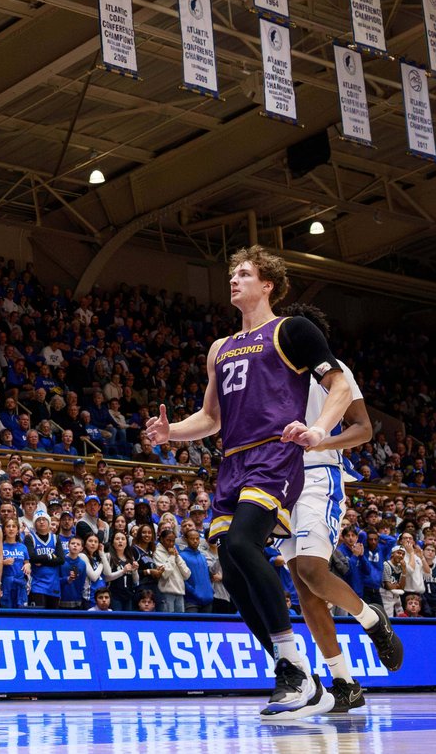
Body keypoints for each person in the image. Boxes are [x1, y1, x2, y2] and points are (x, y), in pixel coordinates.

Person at [145, 246, 356, 720]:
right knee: (230, 564)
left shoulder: (292, 331)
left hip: (276, 452)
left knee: (242, 543)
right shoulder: (219, 348)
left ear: (268, 285)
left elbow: (339, 385)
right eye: (232, 274)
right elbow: (211, 417)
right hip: (233, 461)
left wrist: (320, 429)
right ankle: (293, 670)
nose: (234, 280)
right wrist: (171, 432)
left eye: (245, 273)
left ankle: (296, 669)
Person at [276, 303, 401, 712]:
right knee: (305, 590)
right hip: (277, 481)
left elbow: (363, 428)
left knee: (314, 571)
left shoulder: (332, 370)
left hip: (317, 474)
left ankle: (371, 618)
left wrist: (319, 440)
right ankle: (345, 682)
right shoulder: (267, 369)